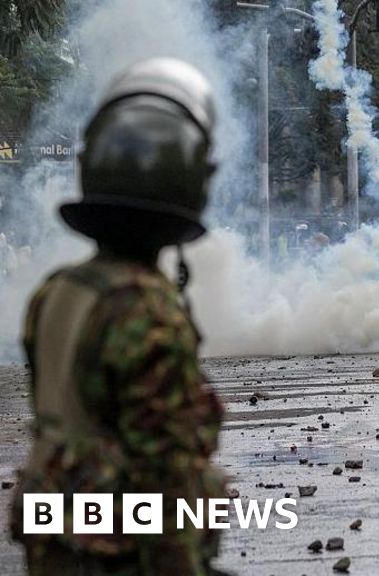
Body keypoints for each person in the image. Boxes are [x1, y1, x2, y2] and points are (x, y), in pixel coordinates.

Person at [9, 58, 226, 575]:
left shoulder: (58, 290)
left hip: (54, 539)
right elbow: (166, 475)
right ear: (191, 184)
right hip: (119, 552)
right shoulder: (147, 310)